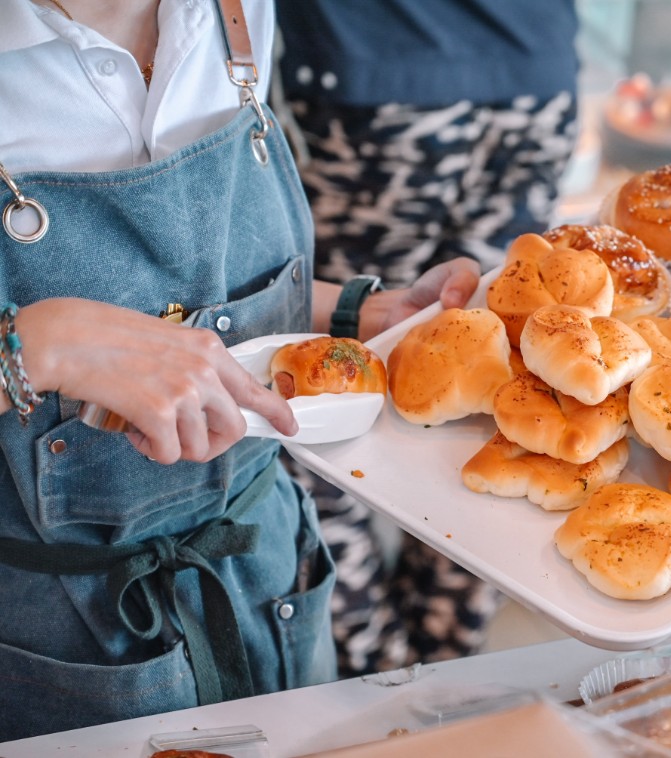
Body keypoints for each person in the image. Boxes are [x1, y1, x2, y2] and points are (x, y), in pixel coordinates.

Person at [0, 0, 478, 741]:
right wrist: (39, 346)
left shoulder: (237, 10)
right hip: (56, 632)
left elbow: (212, 297)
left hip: (265, 570)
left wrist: (362, 321)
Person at [273, 0, 580, 675]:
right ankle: (445, 672)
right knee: (499, 395)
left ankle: (373, 676)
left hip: (372, 82)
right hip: (534, 75)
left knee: (323, 393)